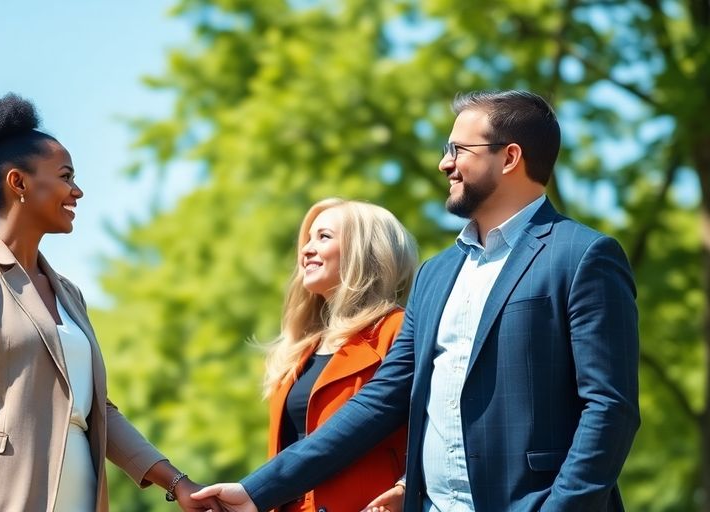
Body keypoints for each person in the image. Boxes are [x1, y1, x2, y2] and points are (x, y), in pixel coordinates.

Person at [193, 90, 640, 512]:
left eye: (458, 149)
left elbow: (609, 408)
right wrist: (257, 490)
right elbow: (380, 401)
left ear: (509, 157)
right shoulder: (436, 274)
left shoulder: (583, 256)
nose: (445, 163)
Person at [0, 93, 208, 512]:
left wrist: (177, 482)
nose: (78, 191)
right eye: (66, 176)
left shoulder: (70, 294)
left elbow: (97, 411)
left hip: (79, 494)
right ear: (18, 182)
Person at [260, 198, 417, 512]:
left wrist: (406, 486)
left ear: (365, 251)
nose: (306, 249)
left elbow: (439, 428)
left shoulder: (399, 330)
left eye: (323, 237)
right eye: (307, 239)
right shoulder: (300, 349)